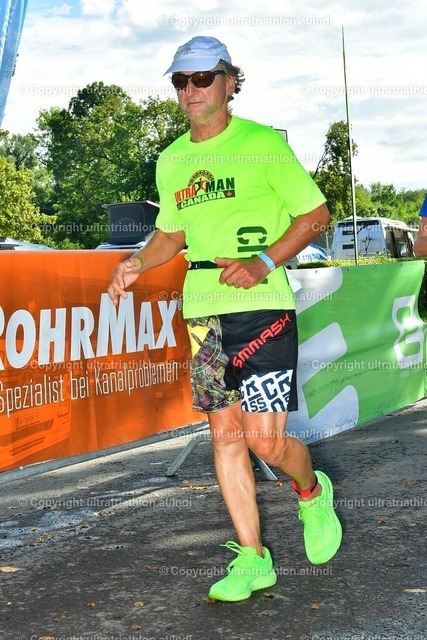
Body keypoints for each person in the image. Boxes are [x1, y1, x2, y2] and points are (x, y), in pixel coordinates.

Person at [107, 35, 342, 602]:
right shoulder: (172, 160)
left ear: (230, 83)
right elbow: (173, 235)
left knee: (265, 442)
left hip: (262, 307)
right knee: (226, 437)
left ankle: (312, 491)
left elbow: (316, 216)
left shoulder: (262, 144)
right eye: (180, 81)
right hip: (203, 314)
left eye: (202, 79)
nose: (190, 90)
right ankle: (254, 559)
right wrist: (136, 263)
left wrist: (263, 263)